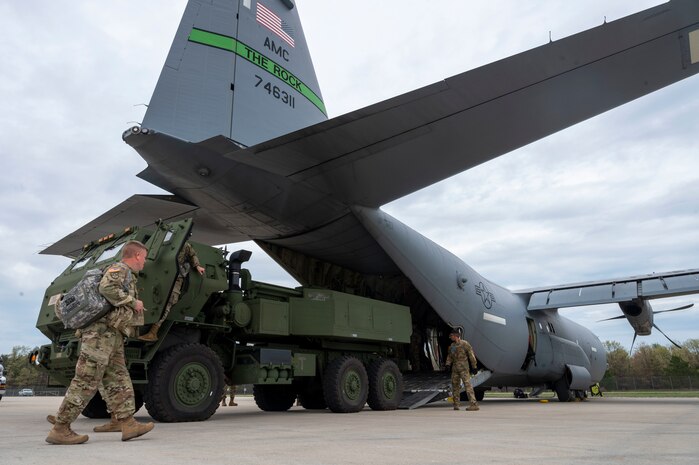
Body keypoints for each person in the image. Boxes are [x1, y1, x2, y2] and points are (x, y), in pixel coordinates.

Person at [46, 240, 155, 445]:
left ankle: (127, 423)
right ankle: (60, 428)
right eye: (145, 258)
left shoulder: (126, 273)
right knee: (86, 379)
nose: (145, 262)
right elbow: (107, 288)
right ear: (138, 255)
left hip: (112, 334)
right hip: (99, 335)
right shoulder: (120, 268)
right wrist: (133, 302)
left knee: (118, 378)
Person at [139, 241, 204, 342]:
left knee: (168, 303)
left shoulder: (184, 245)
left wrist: (197, 266)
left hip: (176, 278)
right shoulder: (163, 243)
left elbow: (192, 254)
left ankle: (153, 332)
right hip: (162, 276)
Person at [445, 329, 479, 411]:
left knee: (467, 385)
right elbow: (450, 356)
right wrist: (447, 364)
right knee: (455, 386)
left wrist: (474, 366)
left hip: (464, 368)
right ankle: (456, 404)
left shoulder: (465, 344)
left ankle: (473, 404)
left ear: (456, 335)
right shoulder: (452, 346)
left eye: (451, 336)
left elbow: (471, 355)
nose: (450, 337)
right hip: (455, 369)